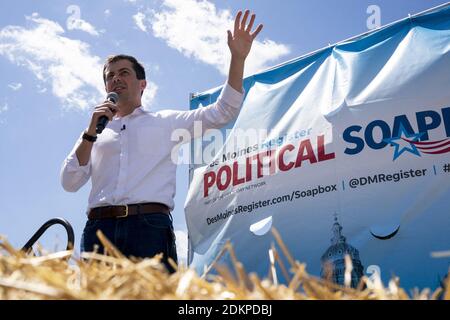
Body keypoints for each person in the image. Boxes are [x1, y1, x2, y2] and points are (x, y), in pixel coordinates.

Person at [60, 10, 263, 272]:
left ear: (142, 84)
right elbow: (69, 182)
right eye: (110, 76)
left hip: (148, 229)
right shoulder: (93, 131)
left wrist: (237, 58)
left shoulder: (165, 122)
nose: (116, 78)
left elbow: (223, 111)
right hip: (100, 231)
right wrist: (90, 133)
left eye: (124, 73)